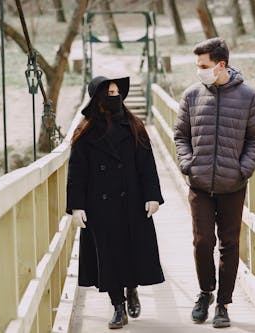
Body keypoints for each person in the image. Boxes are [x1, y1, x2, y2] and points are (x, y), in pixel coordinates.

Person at [174, 38, 255, 328]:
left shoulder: (249, 97)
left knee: (229, 245)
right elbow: (180, 135)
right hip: (199, 184)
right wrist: (188, 164)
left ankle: (223, 304)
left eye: (203, 66)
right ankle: (205, 293)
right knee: (203, 243)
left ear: (221, 65)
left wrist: (244, 169)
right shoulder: (191, 96)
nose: (198, 71)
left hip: (233, 185)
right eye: (197, 65)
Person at [66, 76, 165, 329]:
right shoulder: (85, 130)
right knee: (108, 255)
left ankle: (132, 289)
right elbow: (77, 172)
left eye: (117, 91)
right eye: (109, 92)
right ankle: (118, 306)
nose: (114, 96)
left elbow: (147, 164)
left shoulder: (134, 125)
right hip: (100, 205)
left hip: (131, 199)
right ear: (98, 97)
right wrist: (76, 206)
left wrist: (152, 195)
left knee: (131, 250)